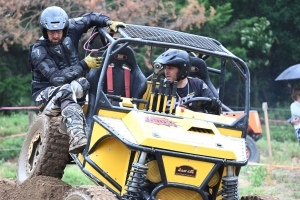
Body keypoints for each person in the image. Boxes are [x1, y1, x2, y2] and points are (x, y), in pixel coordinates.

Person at [29, 6, 125, 154]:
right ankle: (77, 137)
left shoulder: (72, 28)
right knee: (66, 89)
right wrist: (84, 64)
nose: (55, 35)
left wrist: (108, 22)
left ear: (65, 29)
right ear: (44, 30)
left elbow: (90, 18)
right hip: (45, 95)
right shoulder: (38, 50)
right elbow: (57, 79)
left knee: (86, 83)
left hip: (71, 88)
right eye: (51, 32)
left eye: (59, 31)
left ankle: (94, 128)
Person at [150, 48, 222, 114]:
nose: (166, 72)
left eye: (170, 68)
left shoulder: (198, 84)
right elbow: (149, 116)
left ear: (182, 69)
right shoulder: (160, 90)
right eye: (165, 68)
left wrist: (215, 106)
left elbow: (213, 113)